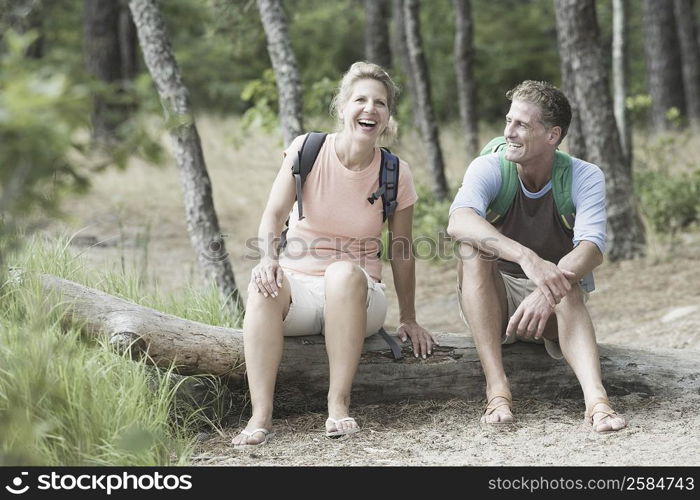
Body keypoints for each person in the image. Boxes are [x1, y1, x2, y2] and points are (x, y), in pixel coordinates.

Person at [232, 61, 437, 447]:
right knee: (262, 287)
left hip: (359, 296)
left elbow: (402, 249)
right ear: (342, 107)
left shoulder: (395, 172)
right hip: (301, 289)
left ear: (388, 116)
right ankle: (261, 416)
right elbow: (274, 215)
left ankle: (338, 405)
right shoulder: (307, 150)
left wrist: (408, 317)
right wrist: (267, 259)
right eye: (360, 99)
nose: (369, 109)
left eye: (380, 103)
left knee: (343, 272)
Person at [447, 80, 627, 433]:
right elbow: (459, 220)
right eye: (508, 121)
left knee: (567, 285)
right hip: (493, 296)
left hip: (556, 298)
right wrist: (527, 258)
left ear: (552, 135)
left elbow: (591, 250)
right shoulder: (490, 165)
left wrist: (546, 289)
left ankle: (598, 404)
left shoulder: (584, 176)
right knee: (473, 248)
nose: (508, 132)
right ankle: (497, 390)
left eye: (522, 125)